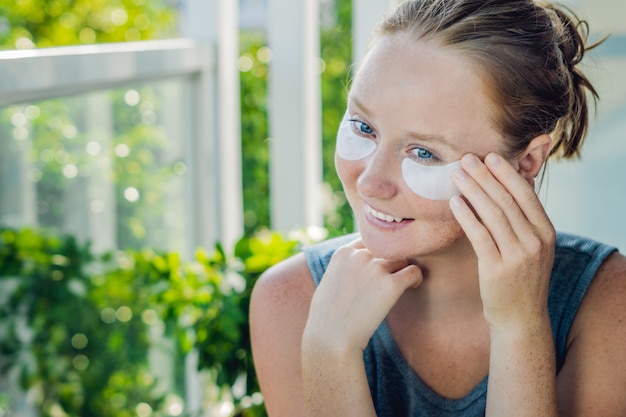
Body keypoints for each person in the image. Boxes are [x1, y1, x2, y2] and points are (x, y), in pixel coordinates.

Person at [249, 0, 626, 415]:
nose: (371, 182)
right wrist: (329, 353)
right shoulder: (288, 300)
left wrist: (519, 327)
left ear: (526, 162)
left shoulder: (608, 303)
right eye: (363, 127)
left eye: (424, 153)